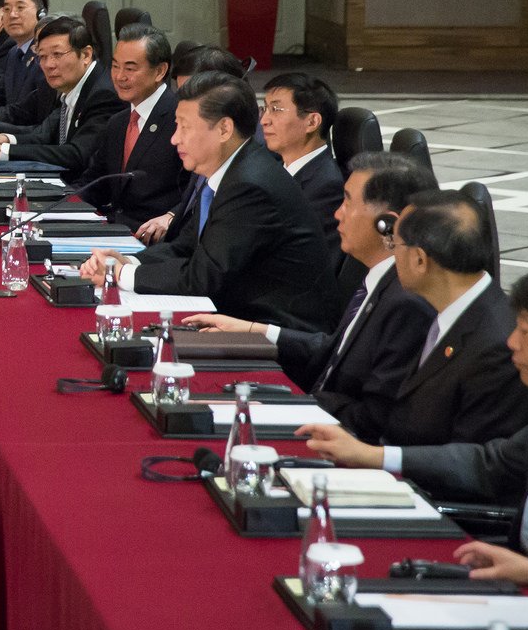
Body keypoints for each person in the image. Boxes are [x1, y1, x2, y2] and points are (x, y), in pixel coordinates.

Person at [301, 266, 528, 596]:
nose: (512, 342)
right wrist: (373, 456)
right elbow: (491, 462)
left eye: (524, 331)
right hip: (518, 574)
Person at [185, 153, 436, 441]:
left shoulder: (406, 302)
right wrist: (253, 330)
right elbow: (335, 352)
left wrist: (286, 407)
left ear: (387, 225)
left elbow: (372, 417)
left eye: (348, 202)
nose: (337, 213)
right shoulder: (380, 279)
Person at [78, 72, 332, 329]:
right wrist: (127, 261)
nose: (174, 138)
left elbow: (203, 278)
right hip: (232, 315)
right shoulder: (229, 172)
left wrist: (119, 274)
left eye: (184, 127)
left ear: (224, 129)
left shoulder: (250, 184)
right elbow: (184, 248)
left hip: (271, 335)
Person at [301, 189, 528, 450]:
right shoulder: (453, 312)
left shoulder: (494, 345)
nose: (391, 255)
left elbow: (468, 465)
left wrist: (373, 457)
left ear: (420, 260)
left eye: (395, 245)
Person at [65, 24, 189, 228]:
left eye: (130, 68)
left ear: (160, 71)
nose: (120, 76)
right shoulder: (118, 122)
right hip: (115, 231)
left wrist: (171, 216)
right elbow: (95, 183)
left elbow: (198, 189)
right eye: (115, 66)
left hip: (157, 240)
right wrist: (50, 204)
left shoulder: (180, 119)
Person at [0, 15, 119, 171]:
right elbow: (46, 135)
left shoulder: (104, 94)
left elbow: (77, 154)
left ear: (86, 54)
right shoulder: (71, 86)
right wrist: (6, 140)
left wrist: (2, 151)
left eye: (57, 55)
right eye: (42, 56)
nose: (48, 65)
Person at [133, 46, 251, 244]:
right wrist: (130, 265)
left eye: (193, 93)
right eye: (181, 93)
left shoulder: (249, 163)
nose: (184, 102)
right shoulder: (205, 145)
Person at [261, 72, 343, 253]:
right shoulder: (272, 169)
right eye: (265, 109)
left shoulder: (325, 187)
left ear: (312, 122)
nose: (264, 120)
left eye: (276, 110)